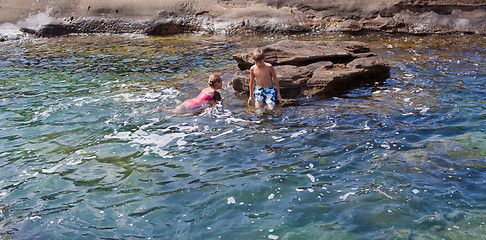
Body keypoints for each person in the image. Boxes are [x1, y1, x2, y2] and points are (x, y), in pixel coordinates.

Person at [152, 74, 223, 114]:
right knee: (192, 115)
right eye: (221, 82)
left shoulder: (205, 89)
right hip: (194, 105)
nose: (222, 84)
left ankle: (161, 110)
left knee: (173, 111)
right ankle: (175, 117)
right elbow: (217, 105)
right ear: (217, 83)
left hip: (188, 101)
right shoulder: (215, 92)